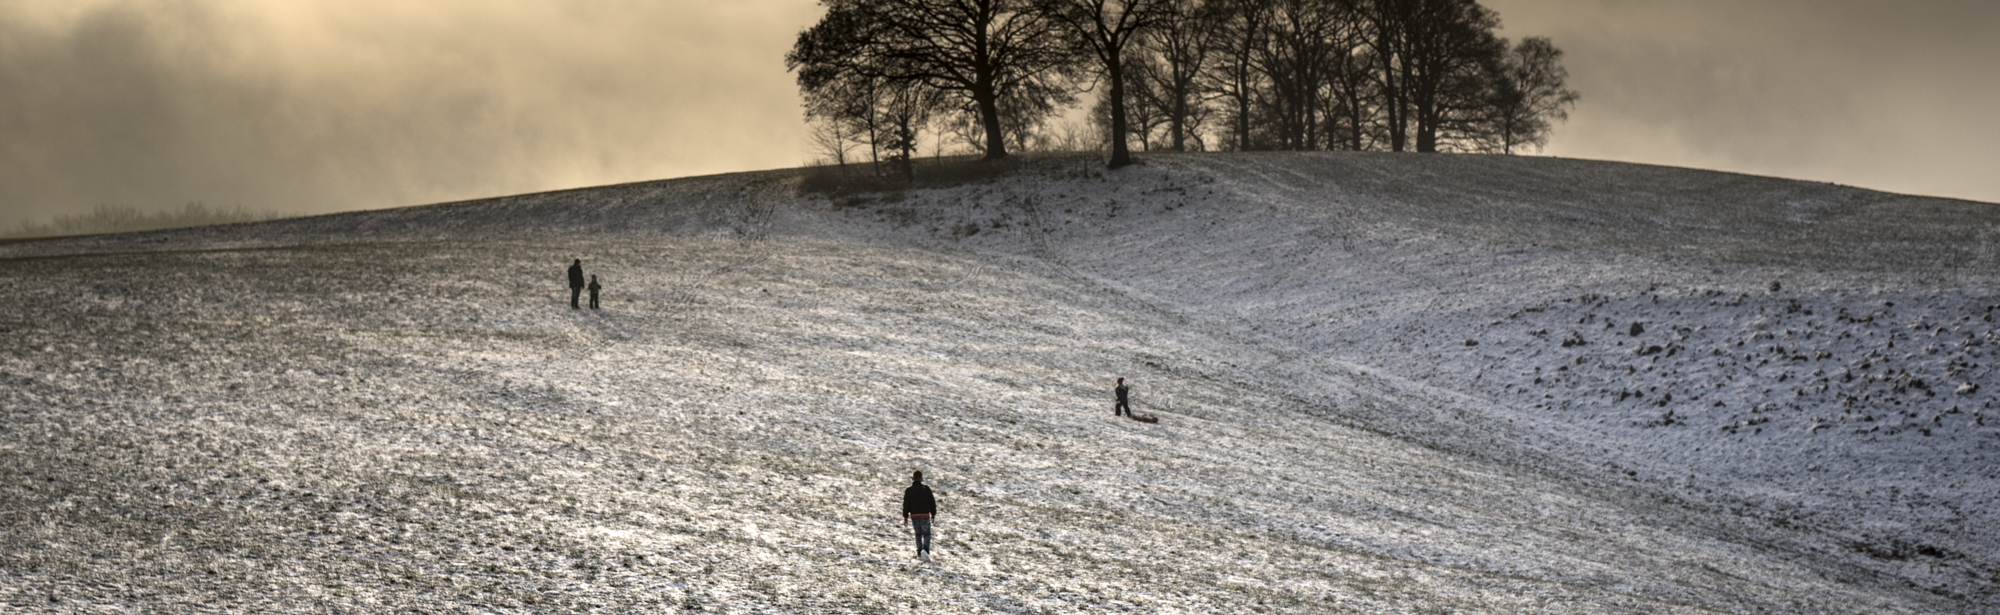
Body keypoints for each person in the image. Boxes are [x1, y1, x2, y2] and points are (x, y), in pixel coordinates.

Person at [902, 470, 937, 561]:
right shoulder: (926, 489)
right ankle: (925, 551)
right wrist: (933, 514)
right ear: (921, 478)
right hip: (925, 514)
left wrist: (905, 516)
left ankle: (919, 553)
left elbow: (906, 504)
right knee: (926, 534)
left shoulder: (909, 490)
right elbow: (932, 502)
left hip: (914, 515)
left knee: (918, 534)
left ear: (912, 479)